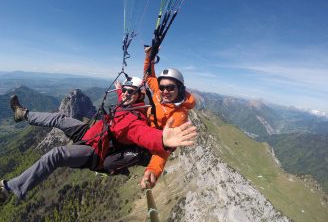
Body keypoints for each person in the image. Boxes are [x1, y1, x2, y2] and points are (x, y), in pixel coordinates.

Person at [0, 77, 197, 204]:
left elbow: (143, 135)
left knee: (56, 155)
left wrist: (162, 140)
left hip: (96, 152)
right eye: (125, 90)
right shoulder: (128, 101)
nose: (125, 93)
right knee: (60, 118)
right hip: (92, 133)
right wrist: (126, 86)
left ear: (141, 95)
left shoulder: (134, 121)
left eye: (130, 91)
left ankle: (9, 188)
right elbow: (133, 91)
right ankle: (24, 114)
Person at [141, 48, 196, 189]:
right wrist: (149, 58)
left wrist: (154, 170)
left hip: (151, 144)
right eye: (162, 87)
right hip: (142, 130)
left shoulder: (179, 114)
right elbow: (148, 76)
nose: (165, 91)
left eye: (170, 88)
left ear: (179, 88)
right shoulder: (159, 93)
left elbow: (166, 146)